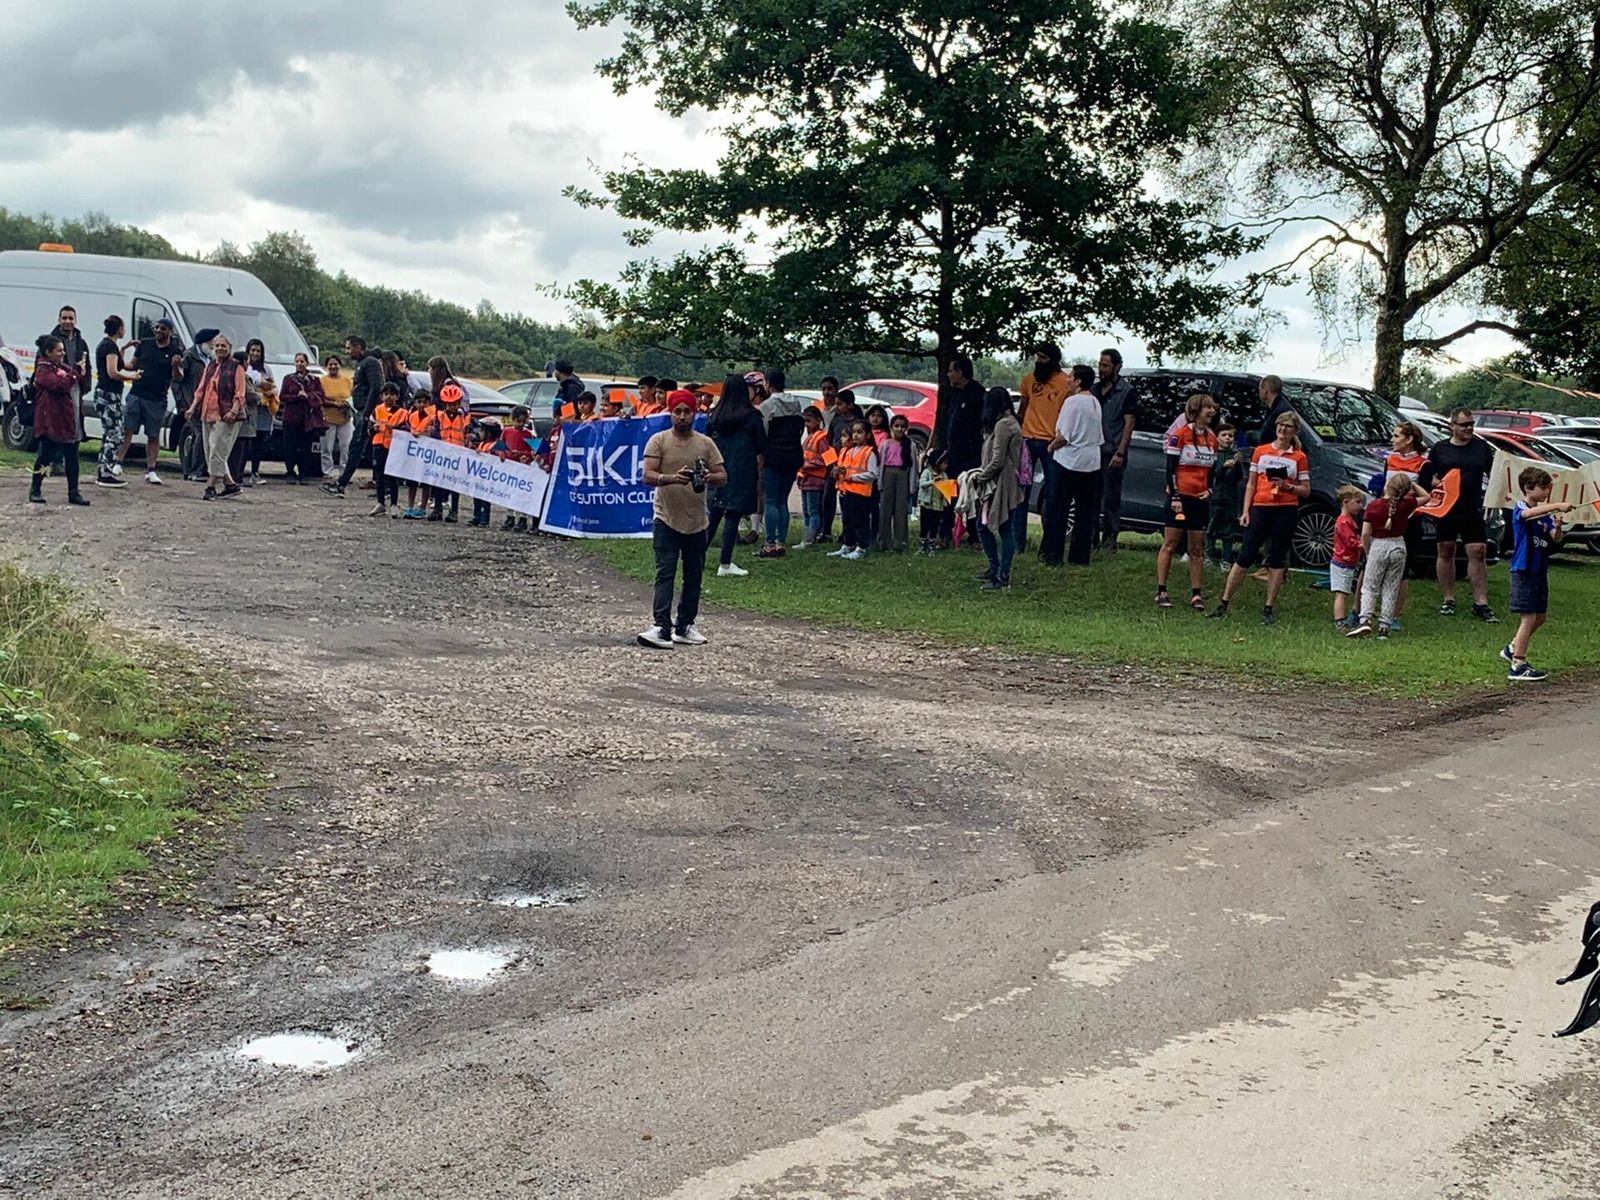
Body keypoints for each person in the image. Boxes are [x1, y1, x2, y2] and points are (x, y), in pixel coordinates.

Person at [638, 390, 727, 649]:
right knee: (665, 573)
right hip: (665, 517)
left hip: (697, 521)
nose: (682, 416)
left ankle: (685, 625)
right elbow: (647, 475)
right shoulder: (659, 440)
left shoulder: (705, 443)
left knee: (693, 576)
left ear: (695, 413)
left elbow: (723, 476)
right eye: (677, 411)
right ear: (670, 413)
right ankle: (661, 625)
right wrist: (671, 478)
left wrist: (708, 476)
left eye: (687, 411)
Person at [1208, 410, 1309, 625]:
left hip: (1285, 508)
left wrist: (1288, 486)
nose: (1283, 429)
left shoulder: (1299, 457)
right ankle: (1224, 602)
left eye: (1288, 426)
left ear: (1295, 431)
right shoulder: (1261, 451)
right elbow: (1251, 483)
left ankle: (1268, 607)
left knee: (1277, 558)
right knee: (1245, 554)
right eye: (1280, 425)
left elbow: (1306, 490)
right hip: (1261, 507)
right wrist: (1245, 511)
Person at [1419, 407, 1497, 623]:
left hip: (1472, 507)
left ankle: (1481, 602)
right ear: (1452, 425)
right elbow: (1426, 476)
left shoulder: (1481, 447)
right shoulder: (1440, 449)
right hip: (1447, 509)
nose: (1469, 428)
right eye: (1464, 425)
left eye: (1471, 424)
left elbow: (1495, 474)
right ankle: (1448, 598)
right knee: (1446, 549)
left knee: (1478, 551)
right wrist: (1439, 485)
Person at [1498, 466, 1574, 682]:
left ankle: (1513, 647)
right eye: (1542, 488)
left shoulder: (1545, 515)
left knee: (1540, 617)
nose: (1546, 492)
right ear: (1528, 488)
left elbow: (1555, 538)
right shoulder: (1521, 507)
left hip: (1539, 568)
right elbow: (1527, 515)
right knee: (1528, 616)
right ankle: (1518, 664)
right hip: (1524, 568)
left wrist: (1558, 527)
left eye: (1548, 488)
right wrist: (1557, 505)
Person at [1155, 393, 1218, 611]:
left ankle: (1196, 594)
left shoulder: (1212, 438)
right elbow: (1170, 468)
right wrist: (1175, 496)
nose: (1212, 411)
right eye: (1208, 408)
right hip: (1180, 498)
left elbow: (1212, 470)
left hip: (1199, 499)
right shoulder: (1180, 434)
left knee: (1197, 548)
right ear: (1196, 410)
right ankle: (1161, 590)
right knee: (1171, 544)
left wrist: (1210, 490)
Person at [1349, 474, 1426, 639]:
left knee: (1370, 586)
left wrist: (1368, 551)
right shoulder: (1406, 505)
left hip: (1378, 544)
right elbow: (1426, 497)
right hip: (1398, 545)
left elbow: (1365, 533)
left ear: (1387, 486)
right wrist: (1412, 484)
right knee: (1391, 587)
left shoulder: (1374, 506)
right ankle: (1384, 626)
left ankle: (1365, 620)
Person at [1042, 364, 1102, 566]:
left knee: (1059, 508)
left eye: (1070, 377)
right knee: (1084, 512)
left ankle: (1053, 554)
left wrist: (1051, 447)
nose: (1067, 380)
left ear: (1078, 381)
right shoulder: (1094, 402)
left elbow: (1064, 436)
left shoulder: (1072, 402)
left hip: (1069, 461)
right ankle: (1080, 556)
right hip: (1091, 462)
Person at [705, 374, 765, 577]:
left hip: (717, 467)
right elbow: (760, 445)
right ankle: (725, 562)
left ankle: (698, 556)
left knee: (714, 513)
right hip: (741, 468)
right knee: (732, 514)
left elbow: (706, 440)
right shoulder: (751, 416)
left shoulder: (714, 415)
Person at [971, 388, 1025, 590]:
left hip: (1001, 482)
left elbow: (997, 460)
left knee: (1002, 527)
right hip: (1001, 480)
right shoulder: (1009, 422)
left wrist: (980, 477)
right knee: (986, 525)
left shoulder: (1004, 425)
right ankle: (995, 568)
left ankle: (1002, 573)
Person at [26, 335, 90, 507]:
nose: (63, 353)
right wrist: (74, 374)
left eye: (63, 350)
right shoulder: (43, 370)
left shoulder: (61, 367)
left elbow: (75, 378)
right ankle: (35, 489)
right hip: (51, 421)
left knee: (72, 457)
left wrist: (79, 372)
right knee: (45, 456)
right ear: (48, 352)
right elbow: (59, 385)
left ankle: (74, 492)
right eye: (59, 350)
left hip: (67, 420)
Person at [121, 317, 184, 484]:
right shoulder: (145, 344)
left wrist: (175, 365)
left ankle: (151, 470)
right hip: (137, 393)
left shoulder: (175, 350)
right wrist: (122, 352)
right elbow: (131, 365)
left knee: (153, 434)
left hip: (157, 398)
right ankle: (118, 462)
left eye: (163, 328)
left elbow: (178, 377)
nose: (158, 331)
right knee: (127, 429)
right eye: (157, 327)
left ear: (170, 331)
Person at [1017, 343, 1069, 543]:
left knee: (1052, 493)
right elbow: (1023, 408)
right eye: (1037, 357)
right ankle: (1018, 540)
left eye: (1043, 358)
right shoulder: (1029, 380)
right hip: (1028, 440)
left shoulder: (1065, 382)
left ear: (1053, 361)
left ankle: (1050, 541)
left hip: (1051, 443)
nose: (1039, 361)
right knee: (1022, 490)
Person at [185, 333, 248, 500]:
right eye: (217, 346)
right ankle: (230, 485)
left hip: (225, 415)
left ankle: (210, 486)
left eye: (223, 346)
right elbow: (201, 389)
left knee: (217, 450)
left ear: (229, 348)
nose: (220, 349)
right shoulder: (211, 366)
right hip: (208, 413)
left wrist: (233, 411)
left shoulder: (236, 367)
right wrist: (192, 407)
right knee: (210, 451)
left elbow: (240, 393)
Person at [325, 336, 385, 496]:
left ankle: (342, 483)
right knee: (362, 449)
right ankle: (344, 483)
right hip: (361, 411)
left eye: (349, 348)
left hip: (367, 413)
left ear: (358, 347)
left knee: (357, 448)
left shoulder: (370, 362)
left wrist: (367, 412)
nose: (347, 352)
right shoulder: (361, 363)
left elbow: (376, 387)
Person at [758, 367, 805, 558]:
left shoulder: (767, 405)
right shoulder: (795, 402)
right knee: (782, 500)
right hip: (793, 455)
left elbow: (763, 433)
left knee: (771, 499)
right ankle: (780, 542)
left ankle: (769, 543)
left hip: (774, 456)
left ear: (768, 383)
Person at [1093, 348, 1137, 553]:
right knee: (1092, 496)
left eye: (1105, 365)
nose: (1101, 369)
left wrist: (1120, 452)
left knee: (1110, 498)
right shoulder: (1094, 389)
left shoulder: (1126, 391)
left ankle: (1110, 540)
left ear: (1117, 367)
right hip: (1093, 450)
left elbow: (1129, 423)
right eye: (1100, 365)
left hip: (1112, 451)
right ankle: (1091, 537)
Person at [92, 315, 141, 488]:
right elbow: (113, 371)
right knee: (115, 434)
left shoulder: (108, 346)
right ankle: (105, 472)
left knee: (109, 433)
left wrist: (125, 348)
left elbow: (120, 363)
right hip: (108, 395)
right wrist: (131, 377)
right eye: (123, 327)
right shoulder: (109, 347)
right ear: (119, 329)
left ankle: (103, 469)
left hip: (106, 394)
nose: (124, 330)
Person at [830, 421, 879, 560]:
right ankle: (848, 544)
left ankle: (861, 547)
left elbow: (872, 474)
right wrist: (839, 472)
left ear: (867, 435)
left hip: (861, 493)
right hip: (848, 491)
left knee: (860, 521)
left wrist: (854, 478)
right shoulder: (850, 451)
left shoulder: (869, 452)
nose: (856, 435)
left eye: (859, 432)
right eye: (854, 432)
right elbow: (847, 468)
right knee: (847, 521)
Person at [174, 329, 218, 482]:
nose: (214, 345)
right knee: (199, 436)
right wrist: (182, 402)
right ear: (204, 342)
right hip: (192, 404)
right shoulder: (189, 357)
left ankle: (193, 470)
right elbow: (177, 380)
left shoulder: (211, 359)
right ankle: (195, 471)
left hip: (206, 405)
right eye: (212, 341)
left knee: (200, 437)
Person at [277, 353, 325, 483]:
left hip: (307, 419)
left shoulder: (314, 380)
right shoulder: (288, 379)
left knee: (306, 447)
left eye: (302, 361)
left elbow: (321, 396)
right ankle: (290, 472)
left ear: (307, 363)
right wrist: (296, 396)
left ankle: (304, 473)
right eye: (297, 361)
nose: (299, 364)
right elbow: (282, 397)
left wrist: (308, 396)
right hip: (291, 418)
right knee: (290, 446)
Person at [876, 412, 918, 552]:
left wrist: (912, 485)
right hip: (888, 475)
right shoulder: (885, 444)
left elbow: (914, 466)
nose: (899, 429)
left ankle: (900, 543)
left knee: (901, 510)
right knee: (885, 510)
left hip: (903, 475)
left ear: (906, 428)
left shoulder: (910, 445)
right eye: (896, 426)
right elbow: (880, 465)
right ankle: (884, 542)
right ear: (891, 427)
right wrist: (880, 482)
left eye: (902, 426)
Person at [428, 381, 469, 522]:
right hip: (442, 454)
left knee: (455, 483)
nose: (453, 406)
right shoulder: (439, 416)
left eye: (455, 403)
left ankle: (454, 511)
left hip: (458, 455)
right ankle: (437, 509)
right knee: (439, 482)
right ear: (444, 404)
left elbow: (470, 433)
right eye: (450, 404)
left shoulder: (465, 417)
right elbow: (435, 432)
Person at [1329, 485, 1366, 630]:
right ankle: (1339, 620)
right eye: (1357, 502)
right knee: (1341, 593)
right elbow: (1350, 541)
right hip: (1342, 562)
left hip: (1348, 562)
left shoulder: (1349, 520)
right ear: (1345, 502)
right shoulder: (1343, 521)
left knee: (1344, 591)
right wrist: (1362, 544)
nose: (1360, 506)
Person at [1206, 424, 1244, 566]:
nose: (1227, 438)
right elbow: (1213, 476)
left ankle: (1226, 559)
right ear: (1217, 437)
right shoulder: (1213, 454)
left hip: (1230, 498)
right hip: (1215, 498)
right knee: (1211, 528)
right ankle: (1208, 556)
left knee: (1229, 530)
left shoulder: (1234, 455)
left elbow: (1239, 477)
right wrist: (1224, 467)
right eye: (1224, 435)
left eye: (1230, 436)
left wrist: (1237, 464)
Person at [241, 339, 276, 484]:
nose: (255, 353)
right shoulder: (244, 367)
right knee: (246, 443)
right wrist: (259, 386)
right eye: (253, 350)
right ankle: (239, 473)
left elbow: (274, 386)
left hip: (264, 411)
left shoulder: (266, 368)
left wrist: (272, 392)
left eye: (258, 351)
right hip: (249, 409)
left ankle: (255, 473)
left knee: (259, 443)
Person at [795, 404, 830, 549]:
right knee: (807, 511)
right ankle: (806, 539)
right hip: (806, 479)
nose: (806, 424)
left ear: (818, 420)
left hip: (815, 479)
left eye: (808, 421)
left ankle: (809, 540)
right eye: (805, 421)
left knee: (813, 511)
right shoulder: (810, 437)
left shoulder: (821, 438)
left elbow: (828, 460)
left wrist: (807, 465)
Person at [369, 382, 406, 517]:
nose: (389, 397)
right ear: (382, 396)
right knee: (379, 476)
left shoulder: (402, 413)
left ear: (397, 396)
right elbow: (369, 428)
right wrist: (373, 429)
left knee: (392, 476)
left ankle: (394, 504)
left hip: (393, 447)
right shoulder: (377, 410)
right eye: (386, 394)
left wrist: (395, 429)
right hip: (378, 445)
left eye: (392, 394)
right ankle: (380, 503)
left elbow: (406, 429)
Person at [499, 406, 537, 531]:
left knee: (521, 494)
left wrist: (524, 456)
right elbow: (500, 446)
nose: (520, 424)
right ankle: (510, 516)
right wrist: (502, 454)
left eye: (523, 421)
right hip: (510, 467)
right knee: (509, 492)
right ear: (513, 419)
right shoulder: (506, 432)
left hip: (522, 469)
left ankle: (522, 518)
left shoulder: (528, 434)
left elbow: (532, 452)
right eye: (518, 421)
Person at [318, 353, 355, 478]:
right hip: (327, 418)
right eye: (330, 364)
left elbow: (353, 397)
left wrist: (346, 404)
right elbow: (320, 398)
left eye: (335, 364)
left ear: (340, 365)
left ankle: (344, 472)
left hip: (345, 418)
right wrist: (334, 403)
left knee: (346, 446)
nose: (333, 366)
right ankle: (327, 471)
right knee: (326, 447)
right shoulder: (322, 381)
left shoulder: (347, 381)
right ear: (326, 366)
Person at [818, 375, 845, 541]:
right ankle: (824, 529)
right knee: (825, 494)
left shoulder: (840, 411)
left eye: (830, 389)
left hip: (841, 456)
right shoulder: (818, 408)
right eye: (824, 389)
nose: (827, 392)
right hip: (825, 454)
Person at [402, 388, 435, 519]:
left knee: (425, 482)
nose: (422, 405)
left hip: (426, 453)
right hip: (414, 453)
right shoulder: (412, 415)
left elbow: (434, 433)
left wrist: (427, 432)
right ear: (415, 403)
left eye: (425, 402)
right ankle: (410, 506)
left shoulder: (433, 417)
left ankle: (422, 508)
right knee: (412, 482)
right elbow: (406, 427)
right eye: (419, 402)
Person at [918, 450, 951, 554]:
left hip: (938, 505)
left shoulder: (944, 475)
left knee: (934, 525)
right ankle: (922, 544)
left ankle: (932, 544)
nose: (946, 465)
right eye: (944, 463)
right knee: (924, 525)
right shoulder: (927, 472)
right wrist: (932, 482)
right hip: (927, 504)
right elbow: (922, 484)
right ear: (937, 463)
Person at [1255, 375, 1291, 446]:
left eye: (1259, 389)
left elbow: (1267, 437)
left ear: (1265, 391)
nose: (1259, 392)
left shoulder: (1280, 412)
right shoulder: (1278, 407)